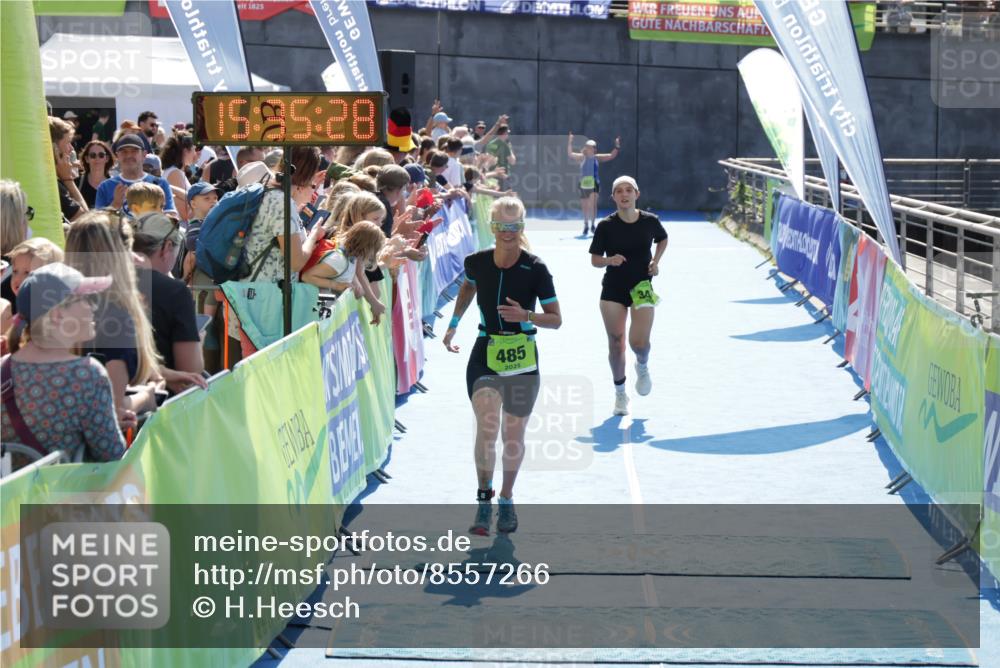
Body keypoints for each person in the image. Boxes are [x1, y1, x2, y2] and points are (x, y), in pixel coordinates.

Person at [443, 196, 562, 536]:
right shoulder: (476, 262)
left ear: (521, 227)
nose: (508, 232)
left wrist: (526, 315)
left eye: (514, 226)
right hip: (485, 352)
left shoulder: (536, 268)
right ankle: (484, 498)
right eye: (501, 226)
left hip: (523, 356)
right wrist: (453, 323)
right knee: (487, 426)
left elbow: (556, 319)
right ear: (491, 226)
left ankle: (506, 498)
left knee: (513, 435)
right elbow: (468, 286)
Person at [2, 263, 126, 462]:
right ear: (57, 314)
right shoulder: (87, 375)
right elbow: (112, 454)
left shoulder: (3, 368)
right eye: (84, 299)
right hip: (67, 483)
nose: (93, 306)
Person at [65, 212, 161, 426]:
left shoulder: (59, 307)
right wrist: (148, 396)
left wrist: (166, 375)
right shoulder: (116, 317)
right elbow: (112, 410)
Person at [589, 176, 668, 416]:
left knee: (639, 344)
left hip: (642, 288)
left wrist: (655, 261)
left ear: (636, 194)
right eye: (619, 191)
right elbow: (595, 260)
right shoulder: (606, 226)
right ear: (613, 197)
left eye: (628, 190)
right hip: (613, 290)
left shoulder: (650, 221)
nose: (624, 194)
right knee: (616, 343)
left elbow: (662, 239)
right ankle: (620, 393)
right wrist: (609, 260)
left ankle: (642, 365)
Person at [132, 213, 207, 394]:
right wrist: (199, 339)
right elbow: (189, 371)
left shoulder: (105, 281)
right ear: (167, 247)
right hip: (162, 398)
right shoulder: (175, 292)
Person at [301, 220, 387, 319]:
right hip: (312, 309)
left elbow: (353, 273)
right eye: (374, 251)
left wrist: (356, 286)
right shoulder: (338, 260)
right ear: (366, 248)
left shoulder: (351, 256)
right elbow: (306, 276)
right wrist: (337, 285)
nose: (373, 255)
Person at [95, 134, 177, 216]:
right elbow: (97, 221)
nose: (128, 155)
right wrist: (115, 205)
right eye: (124, 152)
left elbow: (171, 216)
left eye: (134, 151)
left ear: (144, 155)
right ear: (117, 156)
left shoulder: (160, 184)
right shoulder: (105, 187)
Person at [568, 133, 620, 236]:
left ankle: (592, 225)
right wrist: (570, 142)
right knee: (585, 206)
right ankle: (586, 225)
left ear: (594, 148)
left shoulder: (597, 157)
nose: (589, 148)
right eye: (588, 146)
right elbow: (570, 154)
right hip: (583, 184)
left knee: (592, 205)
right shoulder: (581, 157)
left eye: (591, 146)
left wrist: (617, 145)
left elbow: (611, 155)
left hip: (594, 183)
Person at [50, 116, 88, 222]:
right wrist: (67, 179)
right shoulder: (53, 183)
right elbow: (85, 220)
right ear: (54, 148)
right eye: (68, 142)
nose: (71, 148)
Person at [159, 131, 197, 220]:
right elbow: (185, 213)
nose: (195, 154)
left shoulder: (176, 172)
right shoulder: (175, 173)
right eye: (194, 149)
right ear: (185, 151)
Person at [78, 140, 114, 208]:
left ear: (107, 158)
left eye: (101, 155)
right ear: (87, 159)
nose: (97, 158)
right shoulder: (77, 183)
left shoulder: (115, 185)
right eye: (93, 155)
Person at [485, 125, 516, 191]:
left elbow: (489, 157)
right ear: (505, 133)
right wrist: (510, 148)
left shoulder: (491, 143)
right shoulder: (505, 145)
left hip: (492, 175)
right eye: (507, 133)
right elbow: (512, 161)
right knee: (505, 195)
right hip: (503, 174)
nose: (508, 135)